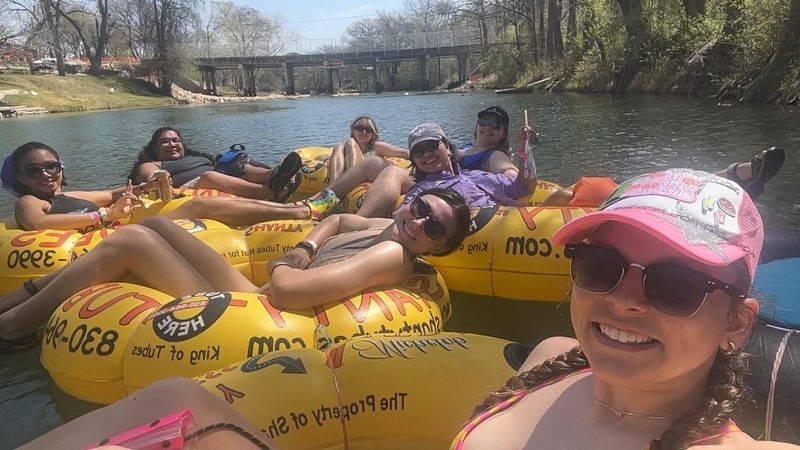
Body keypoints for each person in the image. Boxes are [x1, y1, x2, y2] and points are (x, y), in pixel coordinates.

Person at [451, 168, 799, 449]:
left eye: (676, 286)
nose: (622, 299)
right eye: (600, 266)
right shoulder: (549, 356)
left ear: (736, 323)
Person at [0, 188, 470, 352]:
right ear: (412, 201)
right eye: (422, 209)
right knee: (160, 222)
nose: (419, 223)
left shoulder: (392, 253)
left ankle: (14, 325)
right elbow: (338, 218)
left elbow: (287, 293)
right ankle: (25, 296)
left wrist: (289, 263)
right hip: (254, 291)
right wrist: (308, 245)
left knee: (132, 238)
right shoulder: (386, 226)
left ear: (440, 248)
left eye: (434, 229)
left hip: (257, 315)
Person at [164, 122, 537, 226]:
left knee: (382, 169)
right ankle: (319, 204)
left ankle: (321, 209)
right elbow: (385, 158)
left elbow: (522, 186)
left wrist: (525, 151)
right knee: (380, 168)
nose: (425, 154)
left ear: (447, 147)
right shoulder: (410, 175)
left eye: (431, 147)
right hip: (404, 207)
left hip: (430, 217)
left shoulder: (480, 176)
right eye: (418, 149)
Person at [542, 147, 786, 207]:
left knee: (677, 182)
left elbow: (561, 195)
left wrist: (535, 206)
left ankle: (744, 175)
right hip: (625, 195)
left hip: (625, 193)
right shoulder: (577, 193)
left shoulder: (572, 192)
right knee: (677, 182)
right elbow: (563, 195)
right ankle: (743, 174)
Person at [128, 127, 302, 201]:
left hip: (223, 179)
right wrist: (158, 178)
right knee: (209, 176)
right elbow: (151, 177)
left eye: (176, 140)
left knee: (232, 160)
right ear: (154, 148)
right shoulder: (153, 163)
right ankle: (269, 193)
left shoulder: (196, 157)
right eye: (165, 142)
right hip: (188, 190)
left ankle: (273, 175)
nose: (172, 144)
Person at [1, 142, 144, 231]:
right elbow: (35, 222)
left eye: (51, 166)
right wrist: (103, 215)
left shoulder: (69, 196)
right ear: (21, 178)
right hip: (95, 251)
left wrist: (146, 187)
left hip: (112, 237)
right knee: (135, 235)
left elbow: (112, 195)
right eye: (33, 170)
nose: (45, 174)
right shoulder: (29, 200)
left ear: (61, 168)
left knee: (156, 223)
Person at [326, 116, 408, 183]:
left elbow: (405, 153)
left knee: (350, 141)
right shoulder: (342, 150)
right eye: (360, 128)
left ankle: (337, 189)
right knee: (339, 145)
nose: (364, 132)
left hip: (361, 181)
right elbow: (321, 158)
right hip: (342, 183)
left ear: (373, 134)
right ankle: (332, 190)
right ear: (353, 131)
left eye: (369, 130)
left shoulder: (377, 147)